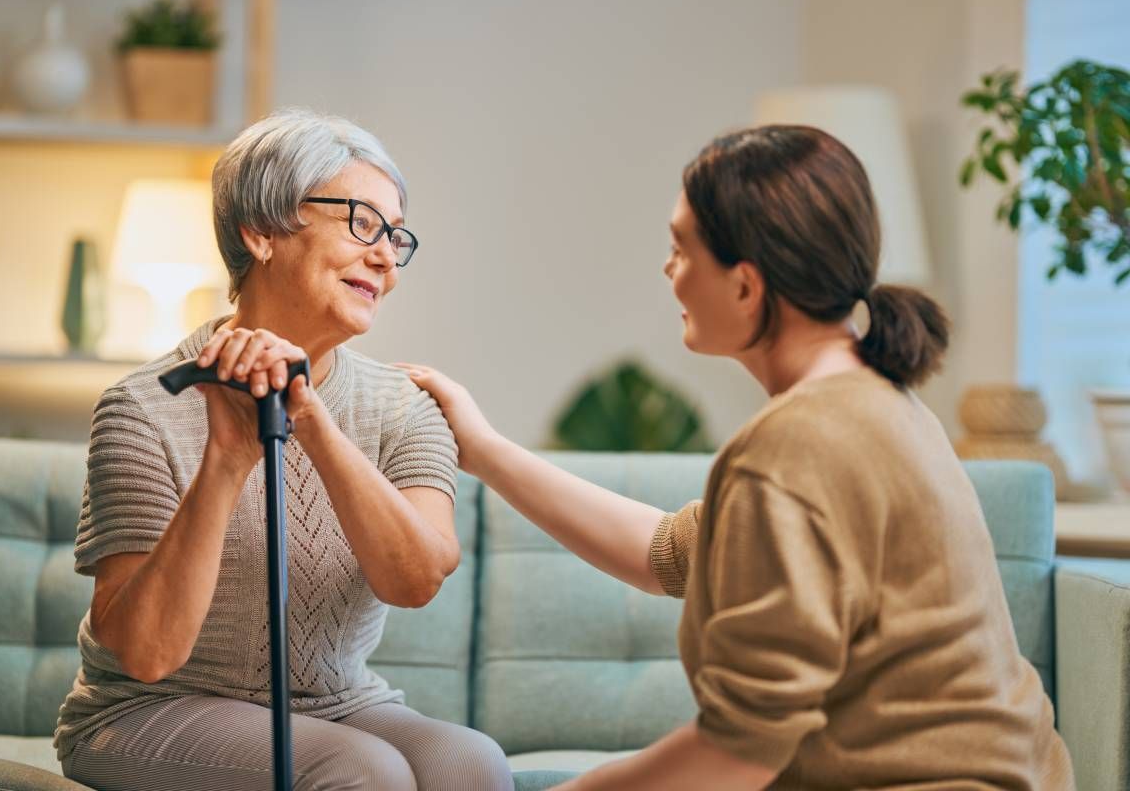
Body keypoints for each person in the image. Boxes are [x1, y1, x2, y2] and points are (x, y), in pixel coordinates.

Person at [400, 125, 1075, 790]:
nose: (669, 271)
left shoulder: (798, 443)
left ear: (746, 286)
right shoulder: (879, 403)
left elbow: (739, 750)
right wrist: (482, 450)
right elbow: (665, 552)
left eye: (680, 249)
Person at [54, 109, 513, 791]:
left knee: (471, 765)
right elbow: (147, 654)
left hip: (340, 702)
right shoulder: (143, 407)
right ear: (261, 231)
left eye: (395, 235)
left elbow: (414, 579)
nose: (386, 256)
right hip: (151, 709)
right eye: (361, 222)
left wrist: (312, 419)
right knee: (365, 772)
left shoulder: (403, 405)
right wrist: (228, 456)